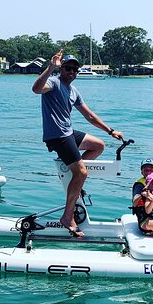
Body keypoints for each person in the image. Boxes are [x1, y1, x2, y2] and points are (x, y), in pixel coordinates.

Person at [32, 49, 123, 237]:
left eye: (75, 69)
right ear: (61, 68)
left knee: (98, 146)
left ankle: (75, 179)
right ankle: (67, 216)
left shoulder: (74, 91)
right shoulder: (53, 82)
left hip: (68, 133)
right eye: (68, 68)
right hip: (57, 136)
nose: (72, 72)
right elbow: (36, 89)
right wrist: (50, 67)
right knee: (82, 172)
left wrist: (110, 131)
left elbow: (89, 115)